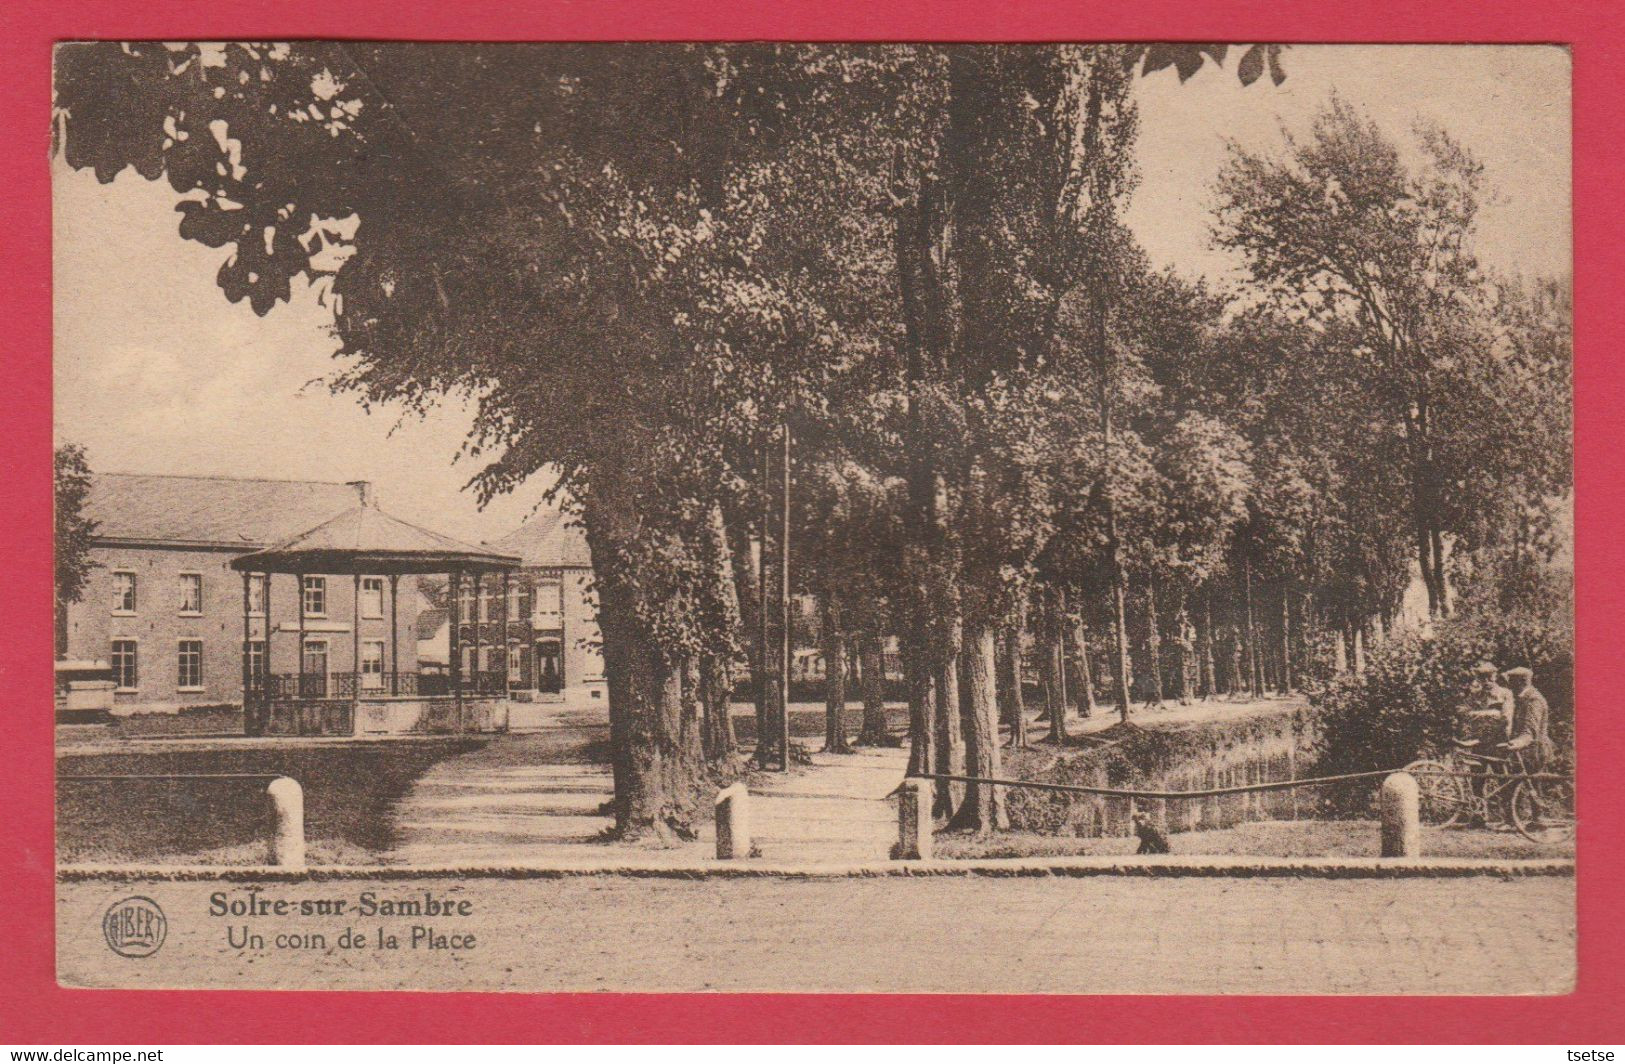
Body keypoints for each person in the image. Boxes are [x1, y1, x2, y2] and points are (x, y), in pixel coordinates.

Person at [1500, 666, 1554, 772]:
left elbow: (1530, 730)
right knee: (1509, 786)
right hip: (1522, 752)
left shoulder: (1533, 700)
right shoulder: (1522, 698)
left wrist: (1518, 742)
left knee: (1533, 786)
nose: (1508, 685)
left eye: (1511, 681)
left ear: (1522, 681)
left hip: (1534, 754)